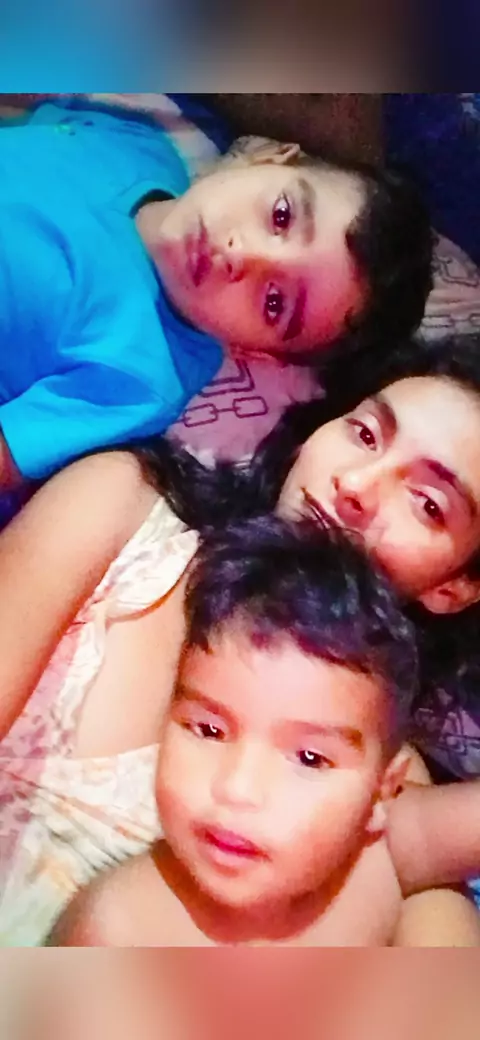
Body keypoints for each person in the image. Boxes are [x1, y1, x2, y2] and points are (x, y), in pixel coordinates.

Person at [3, 332, 480, 945]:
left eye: (427, 503)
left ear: (454, 588)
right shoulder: (123, 508)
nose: (356, 485)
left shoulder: (382, 771)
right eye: (364, 435)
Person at [0, 97, 432, 495]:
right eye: (281, 216)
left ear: (257, 353)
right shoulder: (142, 145)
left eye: (274, 303)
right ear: (269, 158)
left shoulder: (143, 376)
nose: (241, 254)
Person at [49, 515, 421, 946]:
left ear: (381, 793)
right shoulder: (117, 931)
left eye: (310, 758)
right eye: (209, 730)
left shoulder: (372, 869)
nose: (236, 789)